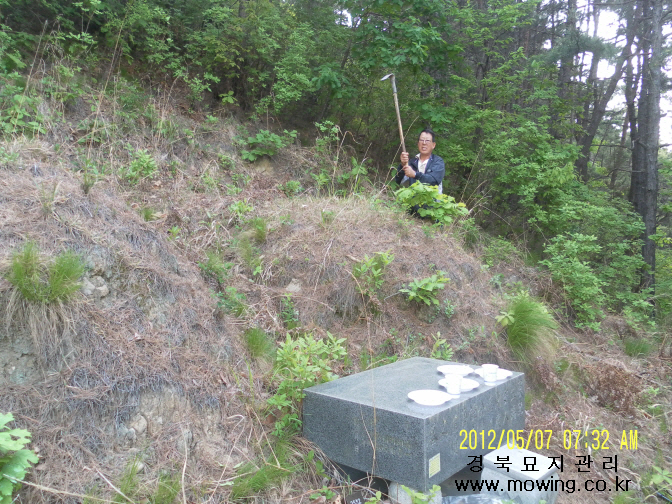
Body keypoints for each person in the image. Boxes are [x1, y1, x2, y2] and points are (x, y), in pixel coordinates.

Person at [395, 129, 445, 194]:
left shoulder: (438, 162)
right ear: (418, 143)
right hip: (413, 199)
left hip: (432, 199)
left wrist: (415, 175)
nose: (424, 143)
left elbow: (433, 181)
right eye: (421, 140)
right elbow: (399, 181)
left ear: (433, 145)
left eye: (427, 140)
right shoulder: (411, 162)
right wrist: (402, 165)